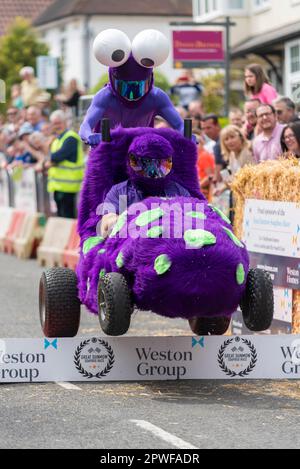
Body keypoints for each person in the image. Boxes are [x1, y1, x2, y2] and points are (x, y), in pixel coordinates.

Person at [79, 29, 184, 146]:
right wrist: (89, 136)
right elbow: (85, 126)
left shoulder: (156, 97)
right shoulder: (104, 97)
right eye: (124, 87)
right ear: (114, 81)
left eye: (139, 87)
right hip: (108, 155)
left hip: (140, 154)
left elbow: (180, 125)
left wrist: (186, 134)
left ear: (149, 81)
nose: (131, 96)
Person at [100, 133, 191, 237]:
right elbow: (106, 227)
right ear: (132, 162)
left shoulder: (178, 192)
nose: (152, 173)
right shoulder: (119, 191)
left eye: (160, 166)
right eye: (146, 164)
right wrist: (120, 221)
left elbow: (192, 223)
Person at [47, 110, 84, 218]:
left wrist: (50, 161)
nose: (57, 126)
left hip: (69, 187)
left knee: (67, 217)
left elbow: (56, 157)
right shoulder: (57, 140)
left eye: (59, 123)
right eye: (54, 123)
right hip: (58, 186)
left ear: (65, 122)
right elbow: (51, 158)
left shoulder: (71, 137)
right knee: (60, 216)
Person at [201, 114, 224, 178]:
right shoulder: (217, 143)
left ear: (217, 126)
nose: (206, 131)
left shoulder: (217, 145)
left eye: (208, 128)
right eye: (203, 129)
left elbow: (218, 176)